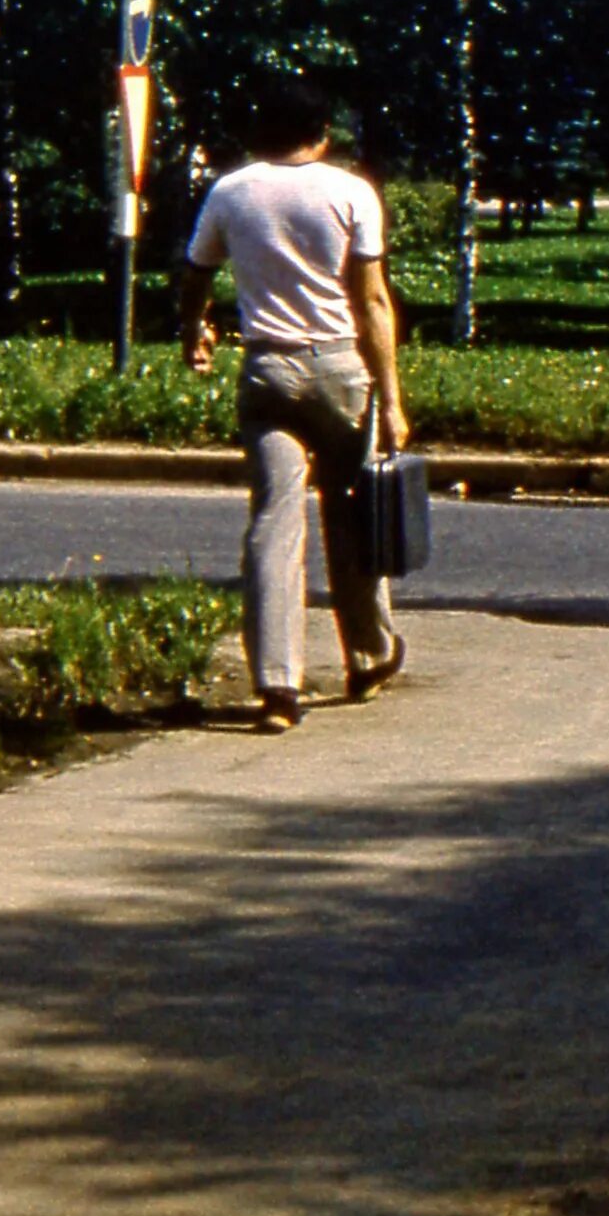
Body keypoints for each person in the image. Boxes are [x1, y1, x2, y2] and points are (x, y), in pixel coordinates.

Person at [180, 78, 411, 733]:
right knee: (352, 513)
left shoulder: (230, 191)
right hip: (339, 367)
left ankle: (277, 685)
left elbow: (195, 271)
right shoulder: (350, 192)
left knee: (274, 521)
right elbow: (370, 302)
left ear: (261, 132)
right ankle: (367, 655)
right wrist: (390, 399)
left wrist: (193, 331)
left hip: (267, 370)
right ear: (323, 134)